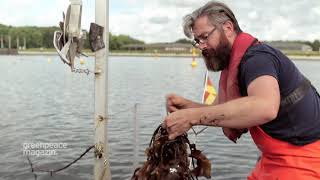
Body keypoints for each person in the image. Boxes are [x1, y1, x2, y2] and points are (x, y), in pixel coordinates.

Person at [162, 1, 320, 179]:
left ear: (228, 27)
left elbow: (265, 107)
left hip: (304, 159)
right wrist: (187, 107)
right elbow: (221, 109)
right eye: (197, 41)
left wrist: (192, 117)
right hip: (273, 158)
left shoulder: (257, 59)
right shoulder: (234, 65)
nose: (201, 46)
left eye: (205, 37)